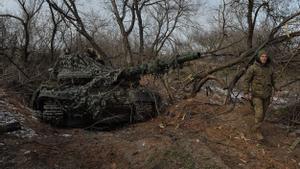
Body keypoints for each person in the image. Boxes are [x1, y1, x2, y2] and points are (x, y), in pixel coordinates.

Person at [243, 49, 277, 140]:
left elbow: (274, 80)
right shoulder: (253, 68)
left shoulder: (270, 68)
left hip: (267, 95)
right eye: (262, 56)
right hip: (256, 95)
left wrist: (277, 89)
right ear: (258, 57)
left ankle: (256, 126)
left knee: (263, 114)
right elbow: (246, 80)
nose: (264, 58)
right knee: (259, 113)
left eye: (265, 56)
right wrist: (246, 92)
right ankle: (257, 131)